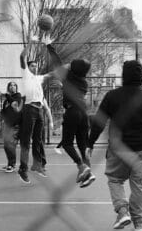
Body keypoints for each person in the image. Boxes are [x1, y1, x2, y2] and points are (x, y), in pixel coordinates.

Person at [87, 60, 142, 230]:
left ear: (124, 76)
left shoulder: (112, 96)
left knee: (115, 179)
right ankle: (140, 223)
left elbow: (99, 122)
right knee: (140, 185)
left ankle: (122, 211)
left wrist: (90, 142)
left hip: (118, 148)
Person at [45, 41, 96, 188]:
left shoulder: (68, 77)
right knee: (82, 145)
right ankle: (89, 172)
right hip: (83, 113)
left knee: (67, 143)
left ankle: (81, 166)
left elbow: (57, 62)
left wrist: (49, 47)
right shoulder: (84, 82)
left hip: (72, 111)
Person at [17, 37, 54, 183]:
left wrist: (49, 46)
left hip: (39, 111)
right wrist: (31, 43)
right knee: (26, 141)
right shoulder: (25, 74)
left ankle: (37, 165)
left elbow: (52, 74)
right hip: (29, 109)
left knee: (38, 140)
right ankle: (22, 170)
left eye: (36, 66)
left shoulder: (39, 78)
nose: (35, 67)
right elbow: (22, 56)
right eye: (33, 65)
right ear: (28, 67)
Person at [0, 81, 23, 173]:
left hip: (16, 126)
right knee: (6, 146)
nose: (12, 87)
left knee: (11, 145)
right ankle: (9, 163)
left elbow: (15, 104)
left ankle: (12, 165)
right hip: (7, 125)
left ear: (16, 88)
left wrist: (6, 95)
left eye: (14, 85)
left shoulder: (18, 96)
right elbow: (3, 113)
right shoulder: (6, 101)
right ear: (8, 87)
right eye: (10, 85)